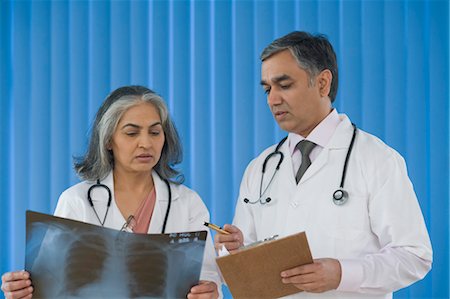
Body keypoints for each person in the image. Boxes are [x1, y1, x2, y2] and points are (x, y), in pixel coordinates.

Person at [214, 31, 432, 298]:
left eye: (284, 85)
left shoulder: (377, 159)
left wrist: (342, 274)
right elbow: (243, 270)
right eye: (267, 89)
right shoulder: (260, 168)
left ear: (322, 83)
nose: (272, 99)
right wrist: (233, 253)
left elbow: (414, 256)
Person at [2, 85, 222, 299]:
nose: (146, 143)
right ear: (108, 140)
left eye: (155, 132)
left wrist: (210, 292)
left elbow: (209, 279)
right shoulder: (77, 201)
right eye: (131, 133)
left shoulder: (187, 203)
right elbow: (49, 287)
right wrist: (24, 292)